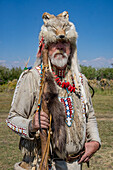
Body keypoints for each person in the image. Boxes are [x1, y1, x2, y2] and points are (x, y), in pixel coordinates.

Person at [6, 11, 101, 170]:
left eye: (65, 43)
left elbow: (89, 114)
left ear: (71, 48)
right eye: (54, 43)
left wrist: (95, 141)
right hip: (41, 164)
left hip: (75, 165)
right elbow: (12, 119)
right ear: (46, 47)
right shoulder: (33, 78)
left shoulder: (80, 80)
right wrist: (31, 125)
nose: (60, 47)